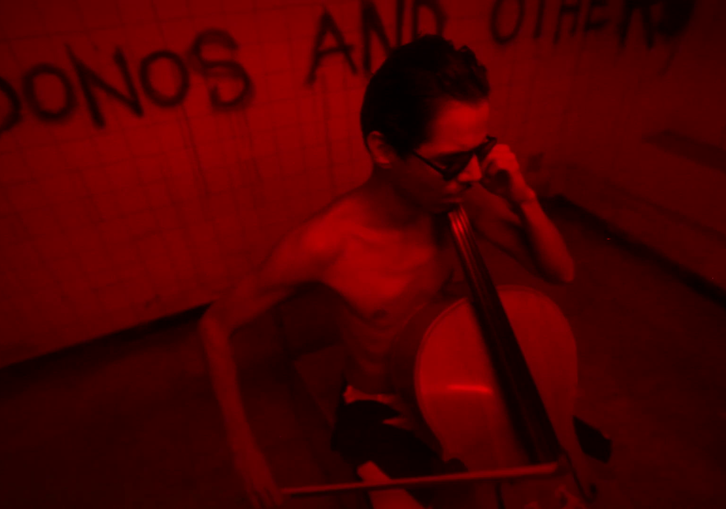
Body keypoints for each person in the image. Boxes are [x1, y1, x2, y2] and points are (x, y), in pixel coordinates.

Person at [199, 34, 575, 509]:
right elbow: (214, 326)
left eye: (479, 151)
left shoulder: (463, 199)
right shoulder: (324, 243)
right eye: (450, 161)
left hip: (457, 386)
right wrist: (246, 451)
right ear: (383, 149)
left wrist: (524, 198)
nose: (474, 175)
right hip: (381, 405)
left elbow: (559, 271)